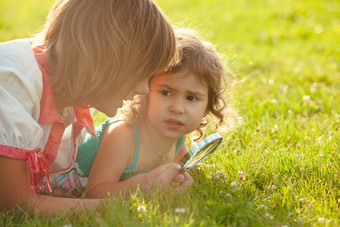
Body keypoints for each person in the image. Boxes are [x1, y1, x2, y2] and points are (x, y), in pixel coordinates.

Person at [0, 0, 184, 215]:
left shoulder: (70, 95)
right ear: (102, 62)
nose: (144, 89)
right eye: (140, 74)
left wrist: (150, 178)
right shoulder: (13, 82)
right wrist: (132, 200)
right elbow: (17, 203)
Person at [57, 28, 237, 199]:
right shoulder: (123, 134)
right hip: (54, 183)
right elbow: (95, 192)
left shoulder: (177, 137)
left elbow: (181, 173)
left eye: (191, 98)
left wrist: (183, 181)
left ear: (208, 106)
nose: (177, 108)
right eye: (166, 93)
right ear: (144, 93)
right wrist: (144, 186)